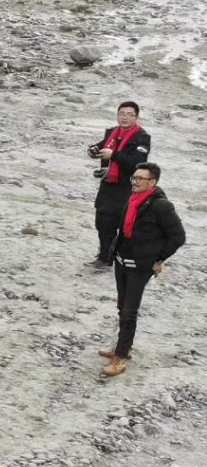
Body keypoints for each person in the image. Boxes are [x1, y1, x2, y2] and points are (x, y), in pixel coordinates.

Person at [101, 162, 185, 377]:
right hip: (121, 261)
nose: (135, 182)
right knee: (122, 306)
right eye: (134, 178)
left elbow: (178, 236)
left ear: (153, 182)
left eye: (140, 179)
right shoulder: (132, 198)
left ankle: (121, 357)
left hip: (140, 267)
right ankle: (122, 346)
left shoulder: (161, 206)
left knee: (129, 311)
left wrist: (159, 258)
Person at [87, 101, 152, 268]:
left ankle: (106, 258)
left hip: (125, 187)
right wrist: (94, 149)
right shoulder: (113, 132)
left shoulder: (142, 137)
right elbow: (103, 146)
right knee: (101, 221)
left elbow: (137, 164)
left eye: (130, 114)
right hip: (107, 183)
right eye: (121, 113)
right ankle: (106, 253)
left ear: (136, 117)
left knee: (115, 223)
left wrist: (114, 155)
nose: (125, 117)